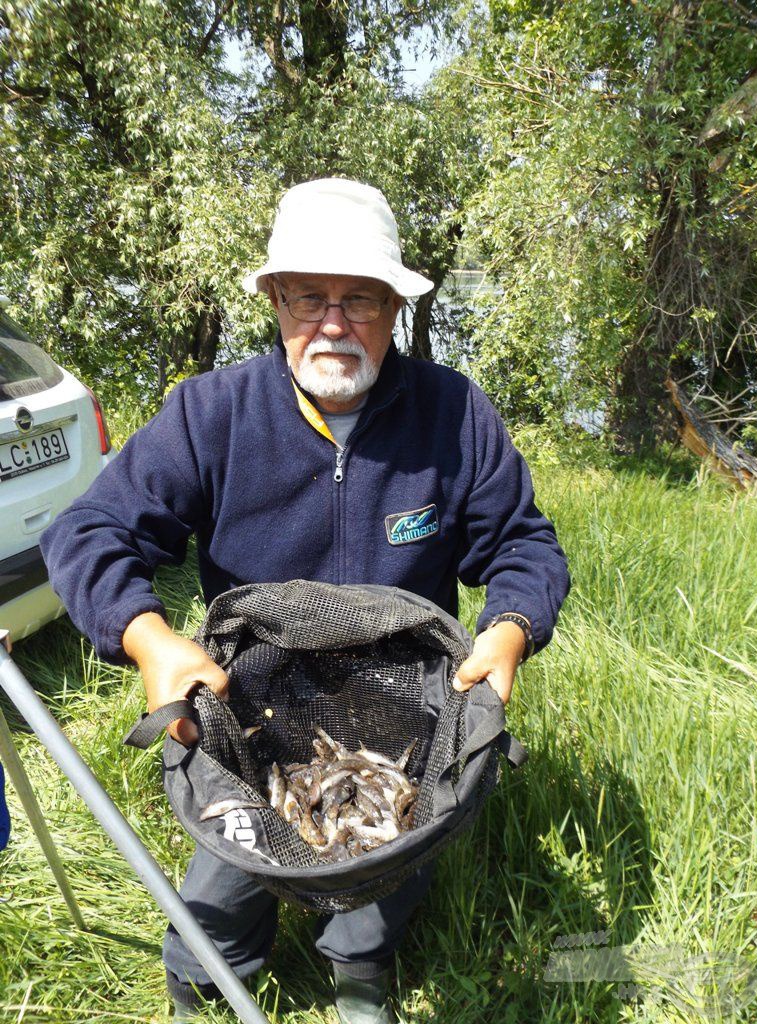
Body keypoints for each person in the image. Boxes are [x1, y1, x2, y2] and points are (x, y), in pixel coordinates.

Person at [40, 178, 570, 1023]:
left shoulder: (453, 413)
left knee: (379, 881)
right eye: (308, 296)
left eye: (359, 298)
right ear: (274, 300)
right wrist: (149, 641)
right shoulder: (209, 413)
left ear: (396, 305)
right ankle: (205, 988)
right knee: (216, 903)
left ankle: (361, 977)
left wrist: (508, 631)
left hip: (405, 715)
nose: (332, 323)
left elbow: (521, 545)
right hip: (252, 708)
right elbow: (89, 530)